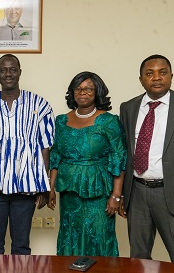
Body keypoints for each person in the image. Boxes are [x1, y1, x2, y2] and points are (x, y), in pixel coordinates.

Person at [119, 54, 174, 265]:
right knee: (139, 258)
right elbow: (125, 152)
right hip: (137, 193)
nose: (156, 78)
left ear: (171, 76)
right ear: (141, 79)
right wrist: (123, 194)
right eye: (149, 73)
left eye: (162, 72)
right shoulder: (128, 108)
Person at [0, 54, 54, 255]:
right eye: (3, 70)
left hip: (25, 189)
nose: (8, 74)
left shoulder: (40, 105)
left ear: (20, 72)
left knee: (21, 246)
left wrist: (43, 186)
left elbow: (45, 147)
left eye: (13, 69)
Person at [48, 71, 126, 257]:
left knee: (99, 236)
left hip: (98, 192)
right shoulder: (61, 121)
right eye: (78, 88)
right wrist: (50, 188)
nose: (83, 92)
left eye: (88, 88)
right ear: (72, 92)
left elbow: (119, 158)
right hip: (69, 192)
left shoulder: (109, 121)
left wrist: (116, 195)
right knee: (70, 235)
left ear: (97, 91)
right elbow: (56, 156)